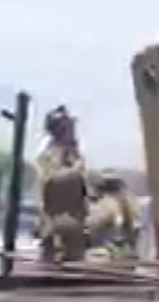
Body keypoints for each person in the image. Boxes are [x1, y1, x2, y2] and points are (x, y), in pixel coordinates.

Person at [35, 106, 138, 263]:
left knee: (119, 200)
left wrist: (103, 182)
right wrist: (78, 170)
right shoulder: (50, 154)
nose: (74, 131)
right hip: (62, 220)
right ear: (61, 130)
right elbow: (52, 180)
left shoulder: (70, 151)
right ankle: (118, 246)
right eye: (70, 127)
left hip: (79, 214)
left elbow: (83, 179)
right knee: (112, 209)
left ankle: (126, 246)